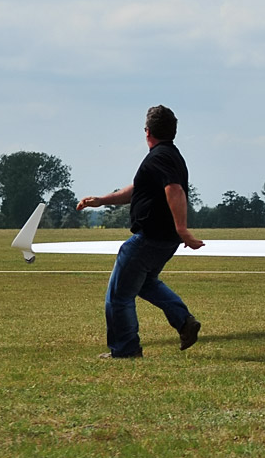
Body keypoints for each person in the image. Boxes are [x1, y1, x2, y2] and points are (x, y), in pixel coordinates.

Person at [77, 105, 205, 358]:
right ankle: (184, 321)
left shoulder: (160, 157)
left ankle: (125, 350)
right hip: (163, 240)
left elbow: (174, 190)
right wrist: (102, 200)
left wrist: (183, 230)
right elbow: (136, 189)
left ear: (147, 132)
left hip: (149, 238)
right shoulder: (168, 155)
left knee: (118, 297)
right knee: (145, 284)